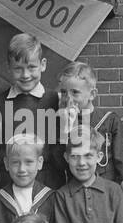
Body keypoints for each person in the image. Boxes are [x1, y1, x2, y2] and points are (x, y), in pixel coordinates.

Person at [0, 33, 63, 190]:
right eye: (18, 69)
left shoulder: (57, 101)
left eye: (31, 67)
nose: (25, 75)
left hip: (49, 188)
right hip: (9, 187)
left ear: (43, 64)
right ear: (9, 67)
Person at [52, 125, 123, 223]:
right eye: (75, 156)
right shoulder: (62, 196)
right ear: (66, 158)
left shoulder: (114, 190)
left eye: (88, 155)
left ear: (99, 156)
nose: (81, 163)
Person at [47, 60, 118, 189]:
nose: (68, 98)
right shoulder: (57, 120)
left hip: (105, 192)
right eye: (64, 92)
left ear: (92, 94)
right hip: (72, 195)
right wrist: (65, 129)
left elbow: (122, 162)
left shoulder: (109, 120)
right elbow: (58, 164)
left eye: (75, 92)